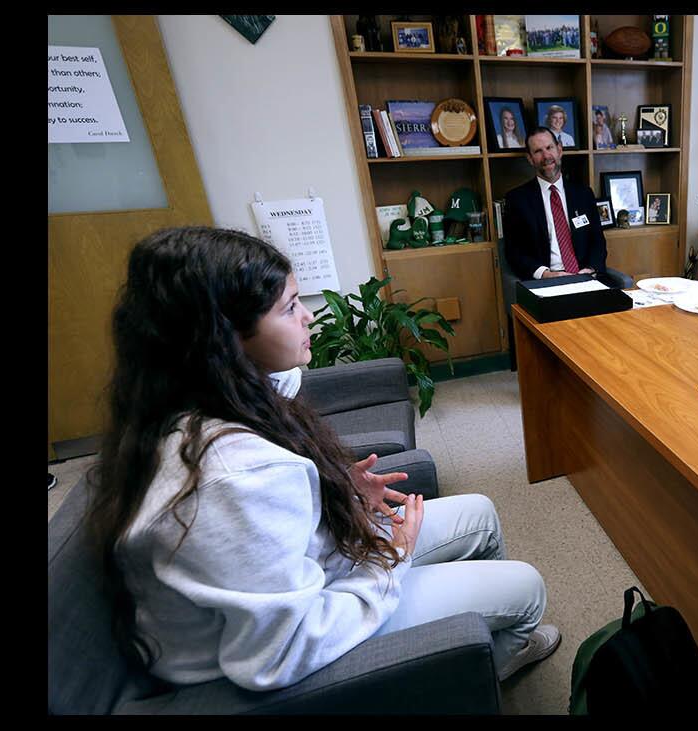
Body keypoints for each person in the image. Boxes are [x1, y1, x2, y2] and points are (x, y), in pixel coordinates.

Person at [86, 227, 559, 692]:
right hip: (305, 632)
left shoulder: (201, 395)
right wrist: (391, 560)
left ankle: (479, 640)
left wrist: (337, 491)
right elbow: (282, 651)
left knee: (480, 513)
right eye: (290, 307)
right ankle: (477, 674)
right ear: (224, 339)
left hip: (315, 570)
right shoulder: (232, 477)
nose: (309, 318)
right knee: (526, 587)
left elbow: (284, 415)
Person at [503, 127, 608, 280]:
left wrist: (590, 269)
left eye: (549, 147)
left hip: (585, 277)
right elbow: (514, 252)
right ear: (530, 158)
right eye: (538, 151)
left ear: (559, 149)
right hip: (546, 280)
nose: (546, 156)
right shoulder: (517, 200)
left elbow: (598, 241)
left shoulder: (583, 194)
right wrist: (544, 274)